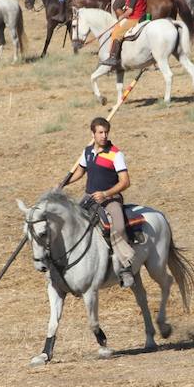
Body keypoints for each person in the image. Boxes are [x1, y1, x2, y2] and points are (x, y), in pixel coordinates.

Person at [66, 117, 136, 288]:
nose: (104, 136)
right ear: (93, 134)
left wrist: (106, 193)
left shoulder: (116, 154)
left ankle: (126, 267)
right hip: (88, 198)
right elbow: (80, 171)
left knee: (118, 226)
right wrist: (64, 183)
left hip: (111, 200)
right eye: (100, 133)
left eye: (106, 132)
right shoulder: (87, 152)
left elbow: (125, 182)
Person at [100, 0, 146, 68]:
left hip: (134, 18)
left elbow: (130, 11)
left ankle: (113, 58)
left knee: (117, 33)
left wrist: (122, 16)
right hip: (140, 16)